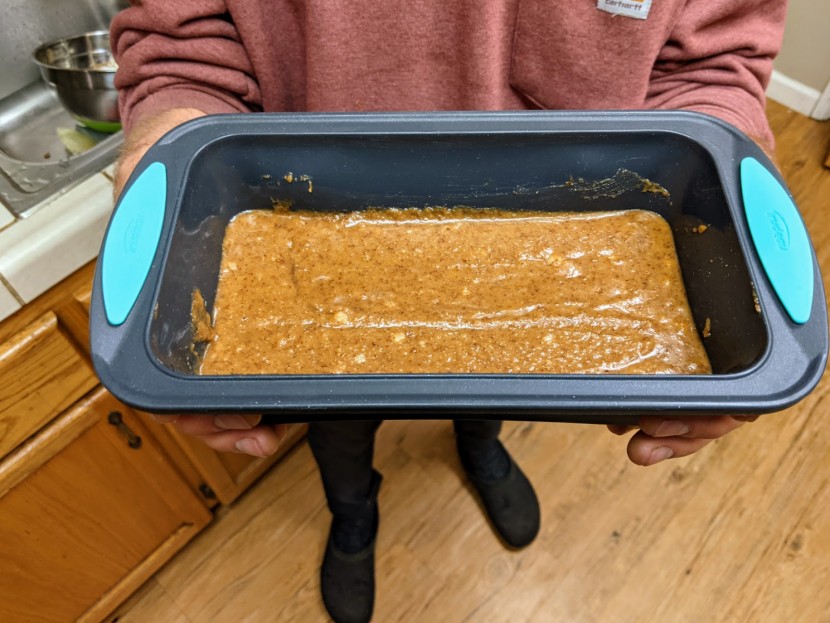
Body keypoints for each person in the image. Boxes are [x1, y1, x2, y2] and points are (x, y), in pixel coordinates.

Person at [110, 2, 783, 620]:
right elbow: (183, 47)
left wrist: (728, 168)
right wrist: (168, 129)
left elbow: (711, 66)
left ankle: (480, 447)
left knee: (493, 374)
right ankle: (353, 512)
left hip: (553, 234)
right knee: (336, 424)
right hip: (307, 204)